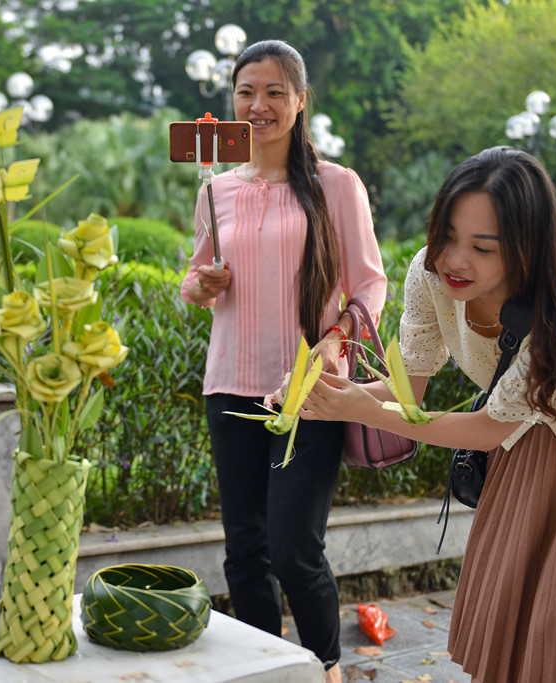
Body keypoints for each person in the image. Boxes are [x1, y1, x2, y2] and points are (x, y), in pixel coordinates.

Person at [300, 146, 556, 682]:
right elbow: (410, 392)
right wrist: (326, 392)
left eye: (483, 247)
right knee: (515, 597)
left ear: (527, 250)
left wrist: (360, 411)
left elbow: (489, 430)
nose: (455, 260)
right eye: (448, 235)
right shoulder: (430, 275)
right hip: (526, 426)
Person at [180, 39, 387, 681]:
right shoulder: (217, 188)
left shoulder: (336, 185)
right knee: (245, 548)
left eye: (274, 92)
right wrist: (199, 286)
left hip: (311, 389)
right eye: (246, 92)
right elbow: (194, 275)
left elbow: (371, 282)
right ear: (232, 102)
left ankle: (324, 666)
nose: (259, 104)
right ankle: (265, 668)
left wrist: (338, 339)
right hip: (230, 386)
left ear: (300, 101)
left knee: (295, 545)